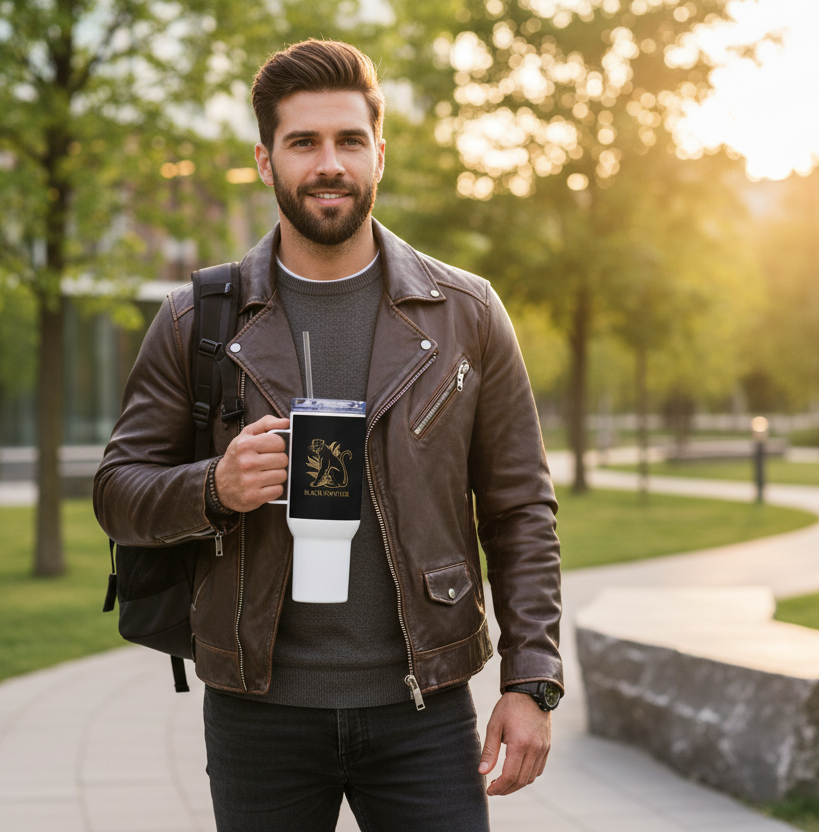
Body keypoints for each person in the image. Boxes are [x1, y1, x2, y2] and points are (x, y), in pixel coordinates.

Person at [94, 38, 562, 832]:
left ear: (380, 150)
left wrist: (532, 681)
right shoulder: (194, 319)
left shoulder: (467, 313)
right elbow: (116, 492)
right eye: (303, 142)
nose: (329, 163)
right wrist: (214, 486)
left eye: (349, 140)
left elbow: (521, 508)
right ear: (264, 159)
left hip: (424, 706)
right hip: (259, 716)